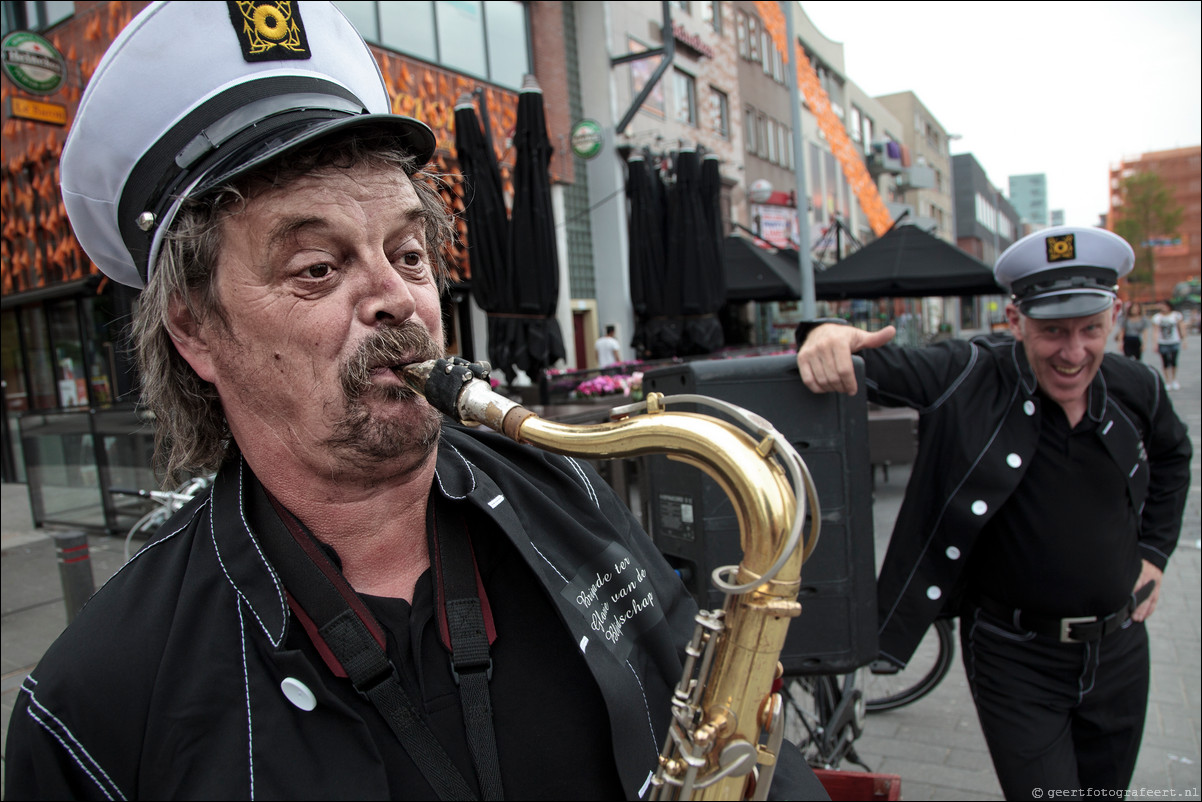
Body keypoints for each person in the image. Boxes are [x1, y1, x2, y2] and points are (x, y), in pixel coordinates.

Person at [4, 4, 823, 800]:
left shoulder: (562, 488)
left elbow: (734, 745)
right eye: (318, 267)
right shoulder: (98, 697)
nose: (397, 296)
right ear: (194, 330)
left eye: (408, 252)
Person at [795, 225, 1191, 800]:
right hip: (1015, 659)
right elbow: (867, 363)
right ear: (1014, 321)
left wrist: (1155, 553)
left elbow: (1176, 455)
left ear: (1116, 317)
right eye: (1052, 332)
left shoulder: (1138, 388)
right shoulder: (969, 373)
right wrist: (825, 335)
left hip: (1120, 653)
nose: (1074, 353)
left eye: (1090, 330)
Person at [1150, 300, 1186, 390]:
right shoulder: (1157, 317)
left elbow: (1181, 327)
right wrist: (1155, 343)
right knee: (1165, 361)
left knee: (1173, 361)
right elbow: (1155, 331)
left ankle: (1174, 379)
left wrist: (1184, 339)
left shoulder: (1176, 315)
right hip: (1162, 342)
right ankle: (1167, 380)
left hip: (1174, 341)